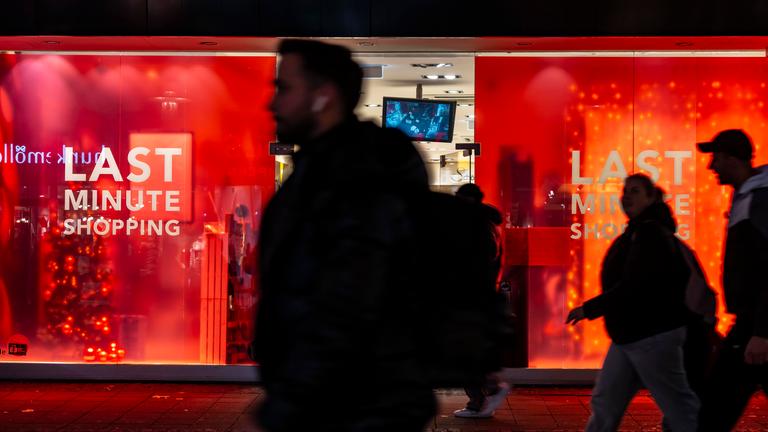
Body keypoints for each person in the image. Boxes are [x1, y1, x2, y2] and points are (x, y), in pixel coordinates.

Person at [251, 39, 434, 432]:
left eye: (284, 88)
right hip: (339, 401)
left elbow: (347, 306)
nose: (272, 103)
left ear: (323, 96)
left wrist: (287, 407)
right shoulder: (319, 171)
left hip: (353, 407)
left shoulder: (357, 177)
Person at [566, 173, 700, 432]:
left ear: (651, 198)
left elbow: (633, 286)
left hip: (652, 335)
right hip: (631, 334)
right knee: (606, 401)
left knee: (678, 406)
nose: (626, 196)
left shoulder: (650, 234)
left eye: (635, 191)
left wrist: (589, 309)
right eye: (625, 190)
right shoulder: (641, 230)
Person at [696, 129, 768, 431]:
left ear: (732, 159)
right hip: (751, 326)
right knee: (714, 408)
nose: (711, 167)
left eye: (716, 158)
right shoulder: (748, 196)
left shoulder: (759, 200)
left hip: (756, 327)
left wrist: (762, 332)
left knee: (713, 410)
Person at [451, 183, 511, 419]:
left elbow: (475, 265)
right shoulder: (485, 225)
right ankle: (487, 392)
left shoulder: (478, 227)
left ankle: (480, 399)